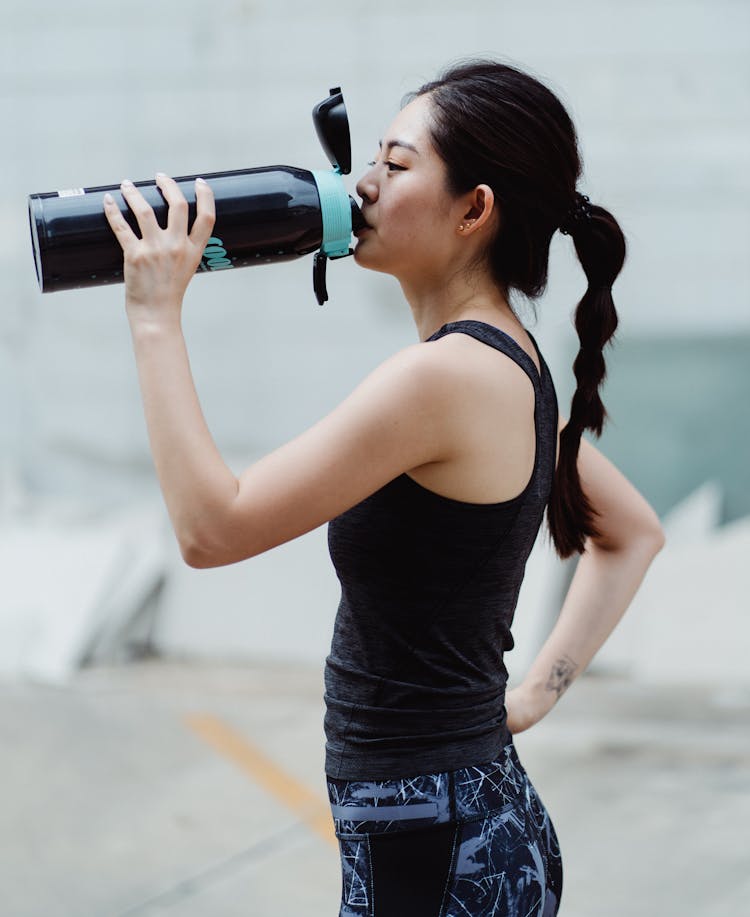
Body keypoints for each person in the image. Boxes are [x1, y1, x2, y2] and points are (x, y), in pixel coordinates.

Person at [103, 58, 666, 917]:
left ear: (474, 209)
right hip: (462, 832)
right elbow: (633, 532)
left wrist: (153, 316)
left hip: (434, 852)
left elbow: (211, 529)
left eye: (396, 166)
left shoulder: (442, 381)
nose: (361, 186)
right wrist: (527, 700)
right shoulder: (509, 363)